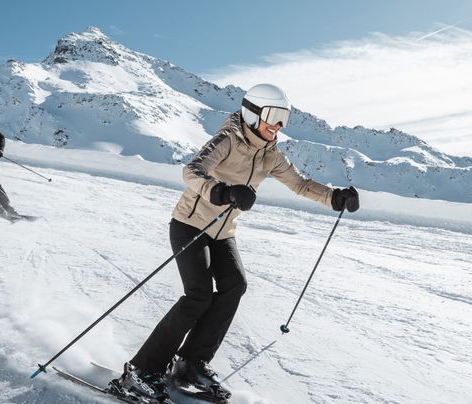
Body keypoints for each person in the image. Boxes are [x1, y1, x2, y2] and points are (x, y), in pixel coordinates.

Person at [110, 84, 361, 402]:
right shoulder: (229, 139)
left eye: (284, 118)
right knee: (197, 295)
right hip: (190, 225)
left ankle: (190, 363)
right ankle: (140, 371)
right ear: (252, 113)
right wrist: (222, 192)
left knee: (235, 286)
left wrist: (334, 197)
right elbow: (192, 171)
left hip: (223, 232)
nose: (278, 125)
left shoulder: (272, 155)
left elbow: (299, 183)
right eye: (273, 115)